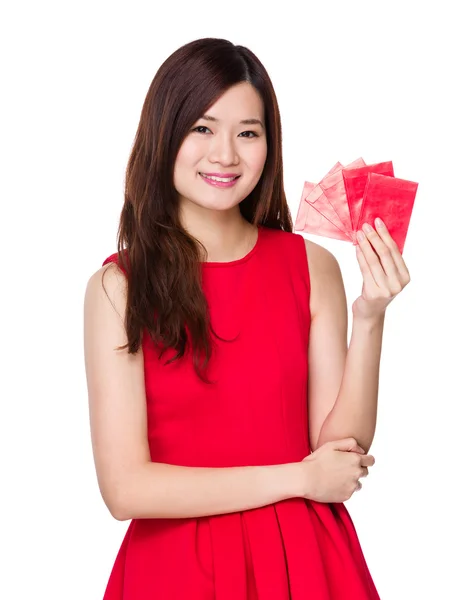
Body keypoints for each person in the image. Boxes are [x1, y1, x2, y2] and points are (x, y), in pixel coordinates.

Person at [84, 37, 410, 599]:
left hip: (306, 563)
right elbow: (125, 489)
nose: (226, 155)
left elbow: (339, 449)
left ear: (269, 144)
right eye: (203, 129)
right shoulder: (119, 287)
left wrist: (371, 317)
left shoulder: (312, 266)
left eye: (248, 133)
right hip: (175, 572)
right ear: (164, 136)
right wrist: (298, 479)